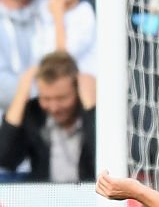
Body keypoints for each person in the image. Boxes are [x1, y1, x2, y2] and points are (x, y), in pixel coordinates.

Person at [0, 51, 95, 182]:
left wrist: (91, 110)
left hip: (91, 197)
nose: (54, 107)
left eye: (62, 98)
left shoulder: (93, 115)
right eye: (46, 98)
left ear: (78, 90)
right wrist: (20, 96)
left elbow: (106, 159)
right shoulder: (34, 115)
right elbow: (4, 159)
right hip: (45, 198)